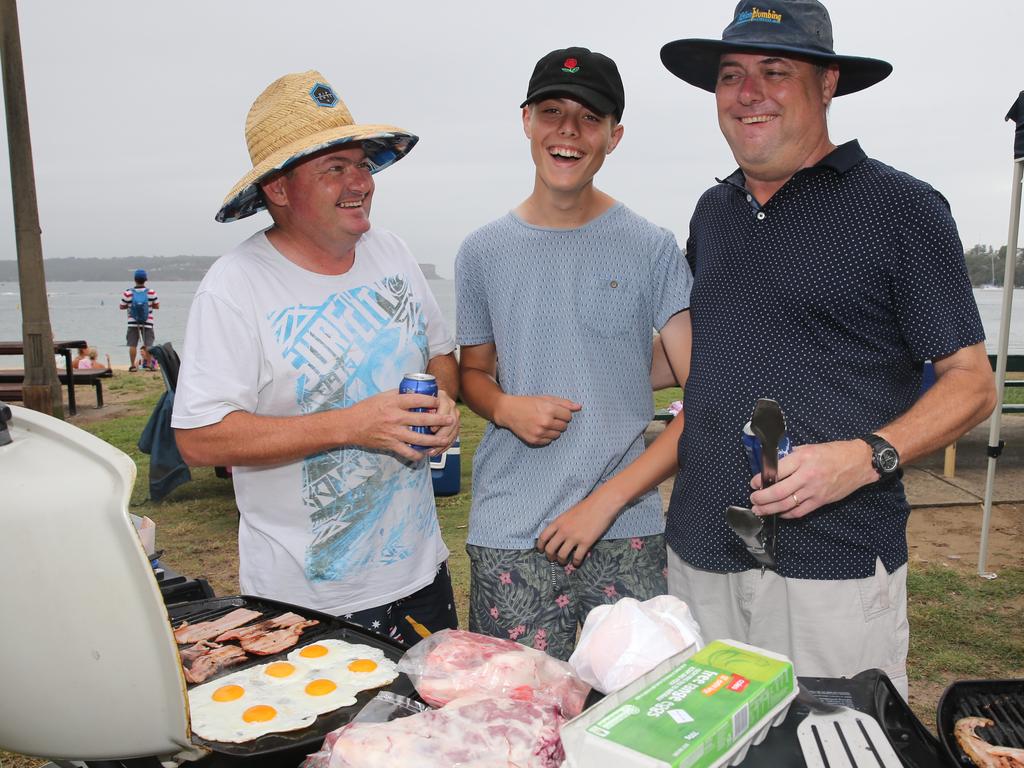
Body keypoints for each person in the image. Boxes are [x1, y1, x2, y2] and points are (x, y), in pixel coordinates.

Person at [565, 0, 994, 697]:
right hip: (702, 551)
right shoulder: (716, 211)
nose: (748, 93)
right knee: (707, 738)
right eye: (731, 75)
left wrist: (865, 457)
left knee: (833, 741)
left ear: (827, 84)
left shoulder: (901, 208)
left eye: (775, 71)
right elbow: (704, 355)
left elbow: (971, 381)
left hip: (834, 562)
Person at [172, 71, 460, 645]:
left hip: (420, 572)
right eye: (336, 168)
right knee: (327, 738)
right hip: (304, 602)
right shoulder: (236, 287)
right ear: (278, 189)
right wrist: (353, 425)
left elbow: (440, 353)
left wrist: (444, 401)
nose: (362, 182)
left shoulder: (392, 252)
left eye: (362, 164)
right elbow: (200, 437)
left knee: (430, 730)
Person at [455, 47, 693, 660]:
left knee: (633, 720)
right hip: (512, 532)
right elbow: (473, 373)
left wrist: (603, 504)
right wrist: (506, 408)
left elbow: (705, 399)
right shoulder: (481, 251)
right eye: (552, 111)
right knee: (518, 717)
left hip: (626, 529)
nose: (568, 131)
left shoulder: (652, 247)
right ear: (526, 120)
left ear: (614, 136)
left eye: (589, 118)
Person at [120, 268, 159, 371]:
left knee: (132, 344)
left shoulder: (128, 293)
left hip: (133, 322)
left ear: (135, 279)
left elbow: (122, 306)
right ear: (145, 279)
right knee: (149, 344)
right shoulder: (151, 292)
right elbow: (157, 305)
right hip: (148, 322)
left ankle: (132, 365)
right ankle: (150, 365)